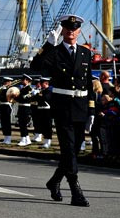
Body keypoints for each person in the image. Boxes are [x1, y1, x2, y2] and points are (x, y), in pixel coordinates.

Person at [30, 14, 94, 207]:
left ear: (79, 31)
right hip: (63, 107)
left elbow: (89, 82)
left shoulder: (85, 53)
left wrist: (91, 110)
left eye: (74, 28)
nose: (71, 31)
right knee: (68, 149)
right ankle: (76, 191)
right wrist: (48, 45)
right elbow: (35, 66)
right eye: (67, 27)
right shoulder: (55, 52)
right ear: (63, 30)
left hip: (81, 106)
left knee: (74, 150)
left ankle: (54, 181)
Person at [15, 74, 33, 146]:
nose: (22, 81)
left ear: (27, 81)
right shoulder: (22, 89)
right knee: (21, 124)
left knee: (23, 124)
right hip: (21, 108)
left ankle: (23, 139)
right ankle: (27, 139)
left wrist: (17, 97)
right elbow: (19, 98)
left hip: (26, 108)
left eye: (24, 80)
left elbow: (24, 98)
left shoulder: (30, 89)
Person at [0, 77, 14, 145]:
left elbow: (6, 98)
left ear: (10, 82)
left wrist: (0, 95)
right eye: (5, 82)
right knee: (3, 123)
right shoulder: (3, 89)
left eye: (7, 82)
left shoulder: (11, 89)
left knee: (7, 123)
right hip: (2, 106)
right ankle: (5, 137)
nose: (5, 83)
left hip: (7, 106)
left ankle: (8, 138)